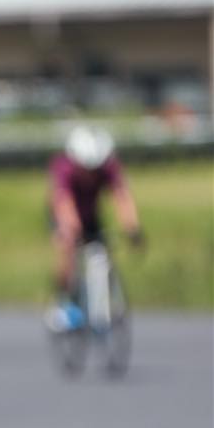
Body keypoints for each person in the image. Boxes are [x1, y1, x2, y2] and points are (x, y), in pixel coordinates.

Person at [47, 124, 144, 329]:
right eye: (85, 169)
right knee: (68, 245)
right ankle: (64, 302)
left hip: (91, 214)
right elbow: (62, 201)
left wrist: (132, 228)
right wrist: (71, 229)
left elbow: (122, 196)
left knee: (101, 250)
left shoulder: (108, 168)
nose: (90, 174)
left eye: (95, 170)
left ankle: (103, 298)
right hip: (64, 211)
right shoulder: (63, 167)